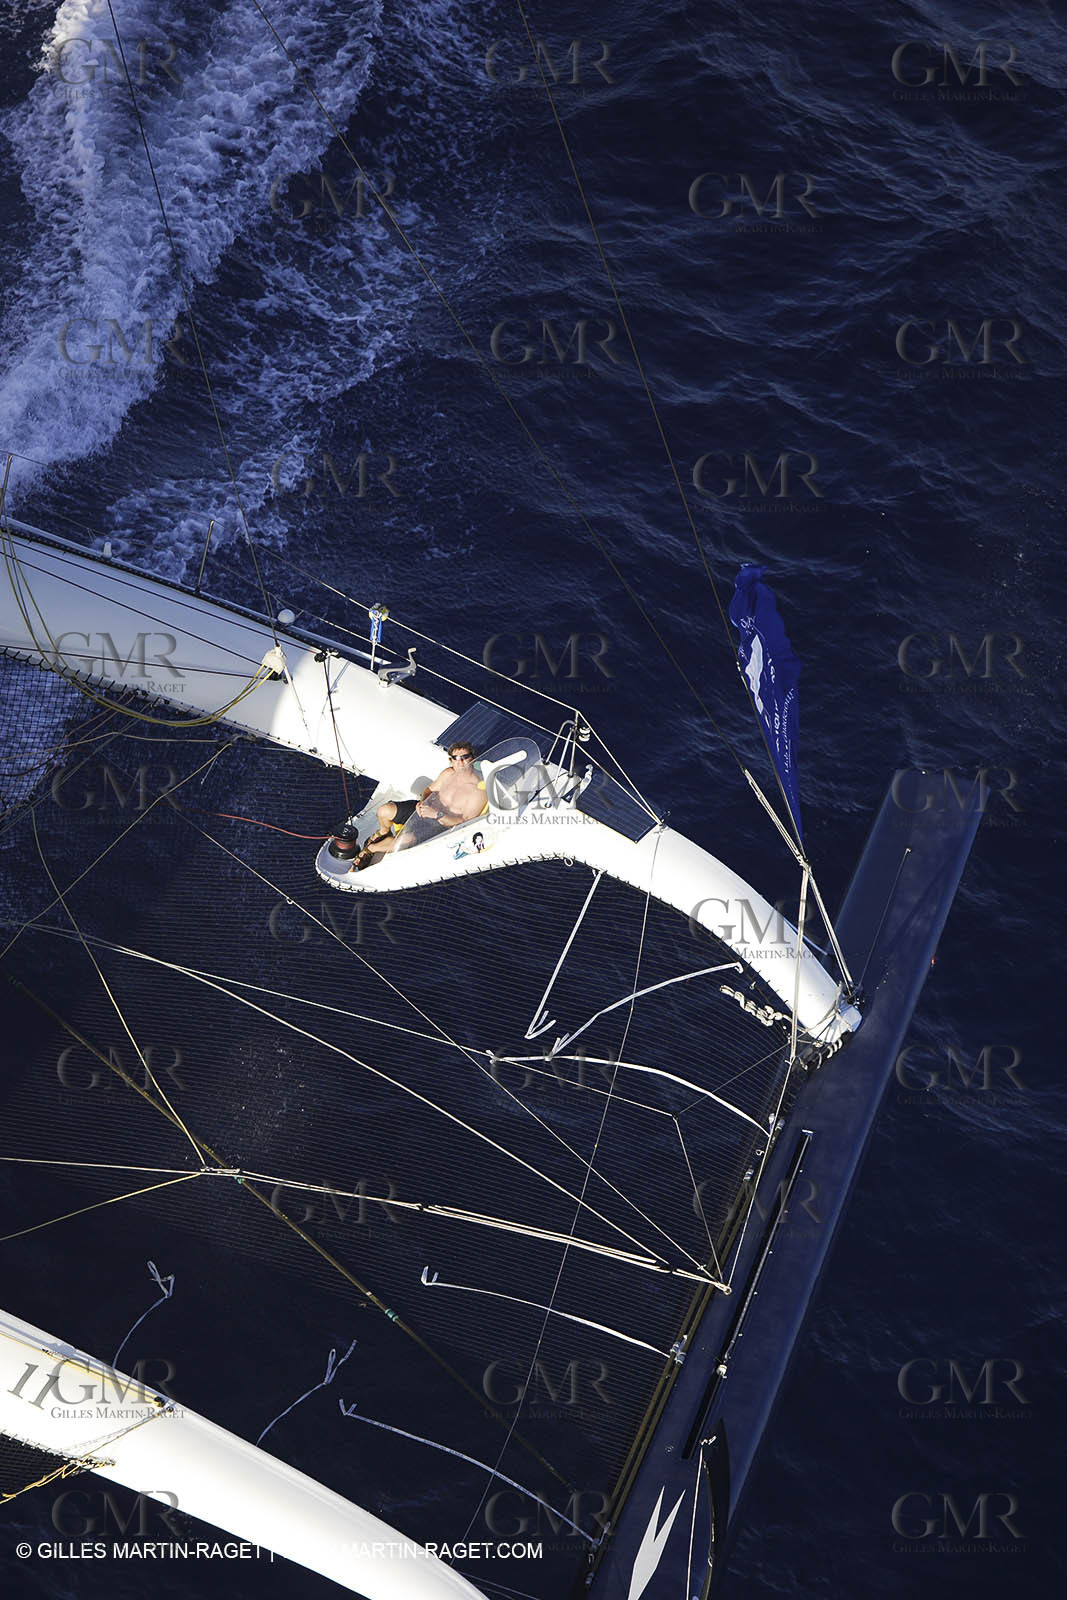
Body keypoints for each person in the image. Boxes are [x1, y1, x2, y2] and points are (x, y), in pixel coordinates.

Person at [351, 743, 485, 869]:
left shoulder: (478, 790)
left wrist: (437, 815)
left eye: (465, 757)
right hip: (423, 809)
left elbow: (465, 823)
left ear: (473, 758)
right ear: (451, 761)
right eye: (455, 758)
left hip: (441, 824)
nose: (460, 762)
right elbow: (429, 790)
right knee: (384, 810)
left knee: (405, 840)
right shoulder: (448, 773)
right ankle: (384, 832)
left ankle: (370, 849)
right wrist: (423, 802)